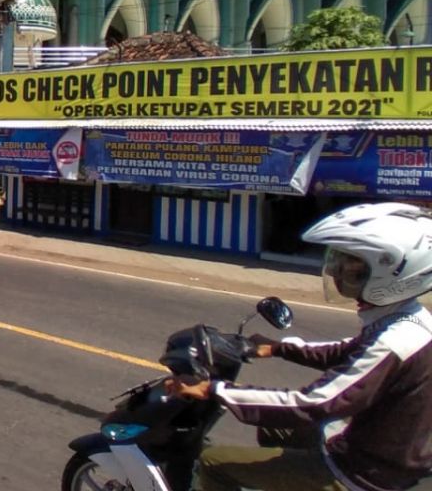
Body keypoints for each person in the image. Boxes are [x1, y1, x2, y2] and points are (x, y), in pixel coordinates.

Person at [170, 202, 432, 491]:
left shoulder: (392, 342)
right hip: (392, 455)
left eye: (352, 264)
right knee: (273, 426)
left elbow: (314, 403)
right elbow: (349, 349)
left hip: (362, 475)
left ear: (394, 273)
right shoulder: (412, 321)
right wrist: (278, 348)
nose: (336, 270)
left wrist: (213, 390)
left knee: (213, 463)